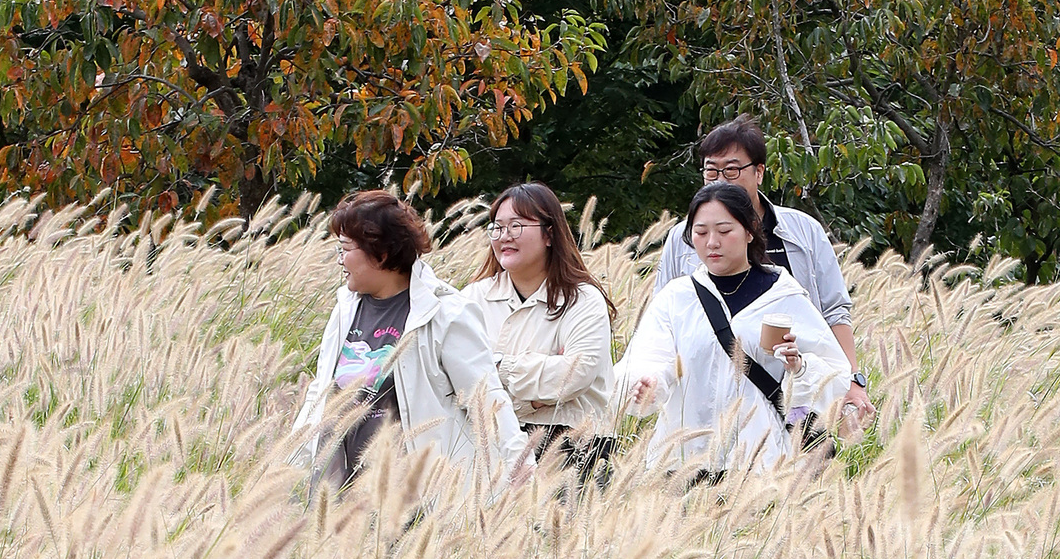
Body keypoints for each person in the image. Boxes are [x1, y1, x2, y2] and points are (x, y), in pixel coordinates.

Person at [294, 190, 532, 498]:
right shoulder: (345, 309)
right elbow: (323, 390)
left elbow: (487, 401)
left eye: (345, 248)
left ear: (379, 253)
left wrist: (522, 477)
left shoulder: (444, 314)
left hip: (411, 502)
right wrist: (287, 464)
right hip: (337, 495)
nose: (339, 260)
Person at [617, 182, 850, 479]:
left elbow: (834, 373)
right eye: (700, 233)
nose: (712, 242)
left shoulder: (784, 295)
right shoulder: (677, 298)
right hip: (683, 461)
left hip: (761, 465)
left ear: (750, 231)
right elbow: (651, 358)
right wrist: (648, 384)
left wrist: (799, 367)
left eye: (724, 231)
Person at [654, 115, 873, 429]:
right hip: (709, 399)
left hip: (797, 390)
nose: (720, 181)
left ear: (759, 172)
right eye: (711, 171)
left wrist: (850, 381)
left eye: (731, 170)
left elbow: (835, 312)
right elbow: (663, 320)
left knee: (802, 466)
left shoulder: (804, 232)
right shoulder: (683, 237)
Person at [463, 183, 616, 473]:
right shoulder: (473, 299)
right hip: (493, 445)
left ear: (549, 233)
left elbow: (575, 375)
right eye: (497, 227)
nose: (504, 236)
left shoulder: (582, 300)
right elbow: (458, 379)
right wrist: (534, 397)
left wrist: (499, 369)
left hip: (574, 447)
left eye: (517, 226)